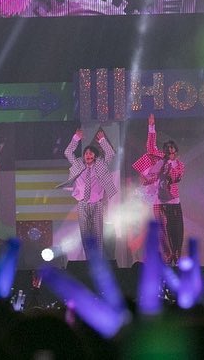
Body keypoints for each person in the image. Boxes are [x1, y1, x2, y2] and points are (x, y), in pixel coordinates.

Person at [131, 113, 186, 265]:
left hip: (174, 201)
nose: (171, 154)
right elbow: (150, 147)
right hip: (158, 200)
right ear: (165, 152)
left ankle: (177, 255)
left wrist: (168, 169)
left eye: (173, 151)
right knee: (162, 229)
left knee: (176, 229)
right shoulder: (160, 160)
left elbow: (176, 178)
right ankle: (168, 256)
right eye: (168, 152)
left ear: (176, 152)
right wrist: (151, 127)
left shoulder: (179, 165)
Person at [63, 126, 118, 260]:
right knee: (85, 234)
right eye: (86, 153)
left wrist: (102, 140)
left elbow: (110, 154)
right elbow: (68, 153)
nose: (88, 155)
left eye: (91, 153)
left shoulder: (100, 165)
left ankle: (98, 260)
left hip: (96, 204)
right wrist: (76, 138)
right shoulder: (78, 165)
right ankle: (88, 260)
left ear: (95, 156)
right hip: (82, 204)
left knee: (97, 234)